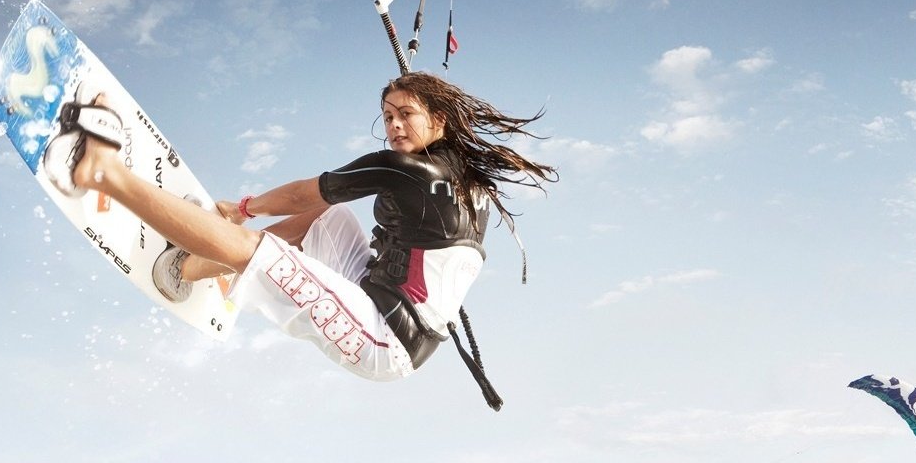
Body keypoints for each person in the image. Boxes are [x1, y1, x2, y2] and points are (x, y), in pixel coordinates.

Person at [44, 73, 555, 398]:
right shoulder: (466, 180)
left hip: (385, 340)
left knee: (261, 249)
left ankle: (105, 178)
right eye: (388, 116)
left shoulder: (407, 172)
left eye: (406, 115)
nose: (395, 126)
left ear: (438, 120)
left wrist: (243, 209)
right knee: (331, 218)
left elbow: (299, 195)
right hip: (379, 290)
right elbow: (320, 205)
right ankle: (205, 266)